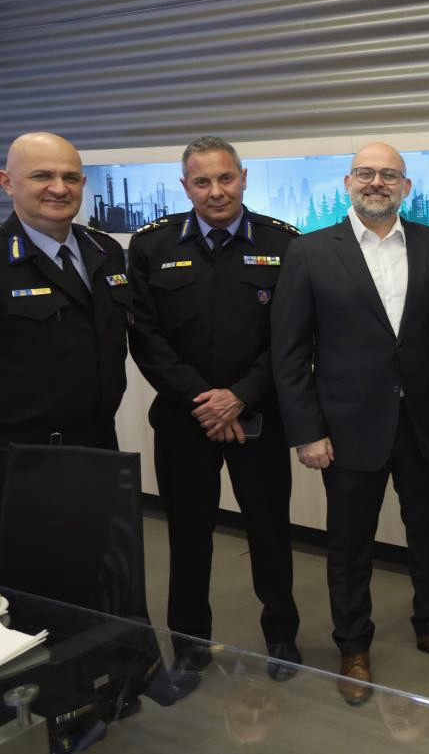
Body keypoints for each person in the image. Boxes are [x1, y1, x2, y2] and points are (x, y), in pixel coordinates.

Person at [271, 142, 429, 706]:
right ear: (347, 182)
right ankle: (353, 646)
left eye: (389, 175)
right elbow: (289, 353)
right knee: (349, 543)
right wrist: (307, 431)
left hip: (422, 420)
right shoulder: (309, 251)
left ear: (406, 187)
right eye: (365, 173)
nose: (376, 183)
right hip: (346, 427)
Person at [127, 136, 302, 682]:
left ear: (244, 178)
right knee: (188, 535)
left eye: (226, 178)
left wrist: (240, 396)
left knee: (270, 532)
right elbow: (146, 337)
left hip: (259, 417)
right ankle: (189, 643)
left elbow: (292, 337)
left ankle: (282, 637)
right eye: (202, 182)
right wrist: (206, 401)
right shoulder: (151, 245)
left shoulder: (283, 242)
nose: (216, 191)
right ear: (185, 187)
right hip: (186, 419)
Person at [0, 132, 129, 450]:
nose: (59, 188)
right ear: (7, 183)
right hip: (22, 454)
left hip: (101, 442)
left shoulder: (105, 251)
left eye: (70, 178)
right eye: (42, 176)